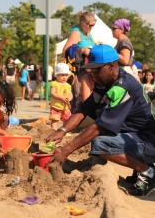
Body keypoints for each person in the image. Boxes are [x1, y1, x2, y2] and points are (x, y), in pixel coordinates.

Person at [46, 44, 155, 196]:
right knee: (99, 137)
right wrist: (62, 130)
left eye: (96, 70)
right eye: (91, 70)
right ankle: (143, 165)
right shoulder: (106, 82)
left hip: (148, 140)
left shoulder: (123, 87)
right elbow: (86, 108)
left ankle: (147, 171)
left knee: (100, 143)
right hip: (137, 135)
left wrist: (66, 150)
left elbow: (100, 126)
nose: (93, 74)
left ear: (111, 66)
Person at [62, 11, 96, 112]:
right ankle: (75, 121)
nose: (91, 27)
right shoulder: (76, 33)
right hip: (79, 70)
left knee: (87, 95)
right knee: (79, 96)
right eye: (90, 25)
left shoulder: (88, 34)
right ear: (82, 23)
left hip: (88, 69)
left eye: (93, 25)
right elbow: (65, 50)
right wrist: (81, 50)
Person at [49, 63, 73, 130]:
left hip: (65, 107)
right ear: (57, 75)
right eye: (62, 75)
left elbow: (70, 94)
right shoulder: (54, 83)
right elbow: (52, 93)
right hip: (55, 106)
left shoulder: (68, 85)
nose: (64, 77)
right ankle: (54, 130)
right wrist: (61, 97)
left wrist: (69, 98)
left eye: (66, 75)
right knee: (54, 119)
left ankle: (64, 131)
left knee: (66, 119)